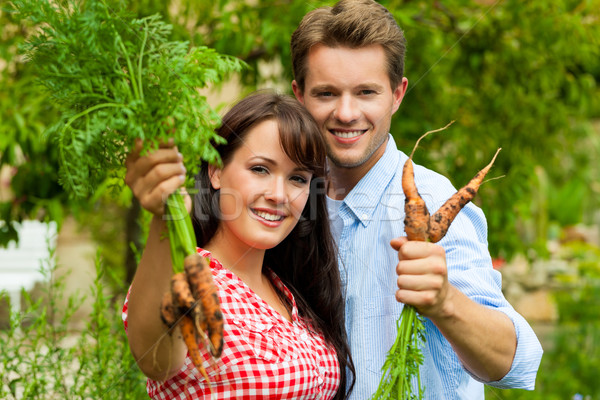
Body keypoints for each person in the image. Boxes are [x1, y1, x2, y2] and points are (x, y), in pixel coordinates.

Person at [289, 0, 543, 398]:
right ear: (299, 95)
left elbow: (514, 361)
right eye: (326, 93)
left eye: (366, 92)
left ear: (397, 94)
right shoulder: (286, 203)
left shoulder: (433, 202)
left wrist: (444, 301)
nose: (346, 112)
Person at [122, 91, 355, 399]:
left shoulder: (288, 290)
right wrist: (165, 216)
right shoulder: (190, 279)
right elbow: (156, 359)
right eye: (260, 169)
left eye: (298, 179)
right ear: (216, 170)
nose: (278, 195)